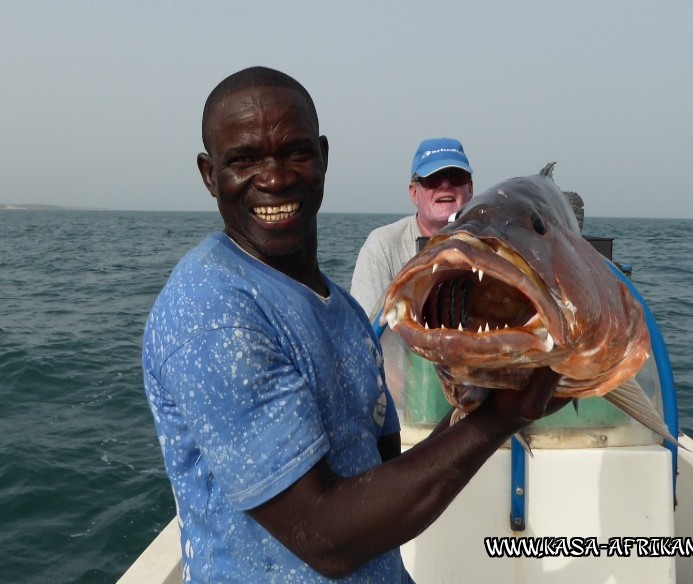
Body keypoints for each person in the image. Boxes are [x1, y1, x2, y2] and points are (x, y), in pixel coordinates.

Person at [143, 66, 564, 583]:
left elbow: (381, 480)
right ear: (210, 175)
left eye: (295, 152)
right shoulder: (211, 312)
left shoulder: (341, 309)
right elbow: (326, 538)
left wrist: (491, 393)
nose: (274, 178)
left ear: (323, 156)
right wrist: (499, 418)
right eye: (244, 160)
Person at [350, 137, 474, 317]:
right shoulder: (381, 247)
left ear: (470, 188)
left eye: (455, 176)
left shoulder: (492, 245)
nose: (445, 185)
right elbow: (365, 332)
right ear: (414, 193)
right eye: (432, 179)